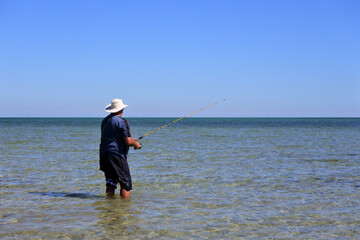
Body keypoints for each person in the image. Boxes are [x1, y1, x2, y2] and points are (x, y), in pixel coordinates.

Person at [99, 99, 141, 198]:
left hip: (104, 154)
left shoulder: (105, 120)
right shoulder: (122, 121)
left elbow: (113, 137)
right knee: (125, 184)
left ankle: (110, 206)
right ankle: (125, 210)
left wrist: (130, 140)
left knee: (111, 182)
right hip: (116, 155)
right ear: (122, 109)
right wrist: (136, 144)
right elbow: (128, 142)